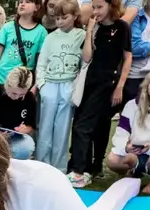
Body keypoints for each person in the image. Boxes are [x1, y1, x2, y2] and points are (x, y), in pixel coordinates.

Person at [68, 0, 132, 188]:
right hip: (89, 81)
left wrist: (120, 85)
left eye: (99, 7)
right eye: (93, 7)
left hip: (108, 83)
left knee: (85, 126)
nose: (95, 11)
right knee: (85, 124)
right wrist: (89, 31)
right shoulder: (94, 27)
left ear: (111, 6)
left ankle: (80, 170)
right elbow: (87, 57)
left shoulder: (122, 27)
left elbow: (127, 57)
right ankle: (87, 168)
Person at [35, 0, 85, 172]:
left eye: (64, 17)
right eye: (57, 18)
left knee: (62, 129)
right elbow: (41, 62)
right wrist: (42, 85)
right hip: (50, 85)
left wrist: (75, 87)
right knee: (45, 126)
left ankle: (59, 168)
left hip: (68, 86)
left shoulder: (82, 35)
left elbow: (83, 64)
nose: (60, 21)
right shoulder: (51, 37)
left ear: (75, 16)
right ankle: (42, 165)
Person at [107, 69, 150, 192]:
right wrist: (125, 147)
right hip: (134, 153)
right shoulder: (131, 105)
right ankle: (132, 173)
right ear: (147, 85)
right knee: (113, 160)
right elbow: (120, 133)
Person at [0, 0, 47, 94]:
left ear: (37, 7)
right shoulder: (8, 27)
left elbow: (40, 62)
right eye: (21, 1)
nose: (22, 4)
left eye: (27, 2)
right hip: (0, 80)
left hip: (21, 85)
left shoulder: (41, 32)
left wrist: (35, 86)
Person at [0, 66, 38, 160]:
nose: (17, 97)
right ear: (7, 85)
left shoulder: (30, 98)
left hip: (14, 138)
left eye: (22, 94)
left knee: (26, 146)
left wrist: (24, 129)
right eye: (14, 93)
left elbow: (31, 125)